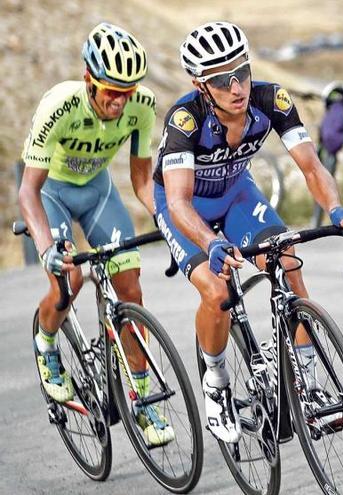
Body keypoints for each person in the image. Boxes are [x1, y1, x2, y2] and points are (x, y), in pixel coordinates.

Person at [155, 21, 343, 443]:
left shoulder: (272, 99)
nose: (237, 87)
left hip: (236, 196)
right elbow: (178, 202)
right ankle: (215, 383)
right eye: (221, 79)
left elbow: (310, 165)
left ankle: (306, 381)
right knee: (217, 294)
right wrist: (211, 242)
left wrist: (336, 208)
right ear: (201, 84)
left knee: (286, 258)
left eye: (242, 72)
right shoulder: (185, 119)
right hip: (185, 208)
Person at [18, 23, 174, 447]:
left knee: (132, 289)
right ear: (89, 80)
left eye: (128, 91)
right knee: (67, 279)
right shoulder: (60, 104)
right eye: (111, 91)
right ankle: (47, 342)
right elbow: (27, 190)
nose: (120, 101)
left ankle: (142, 399)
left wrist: (169, 221)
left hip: (99, 194)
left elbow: (142, 183)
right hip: (53, 194)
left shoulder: (142, 106)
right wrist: (47, 248)